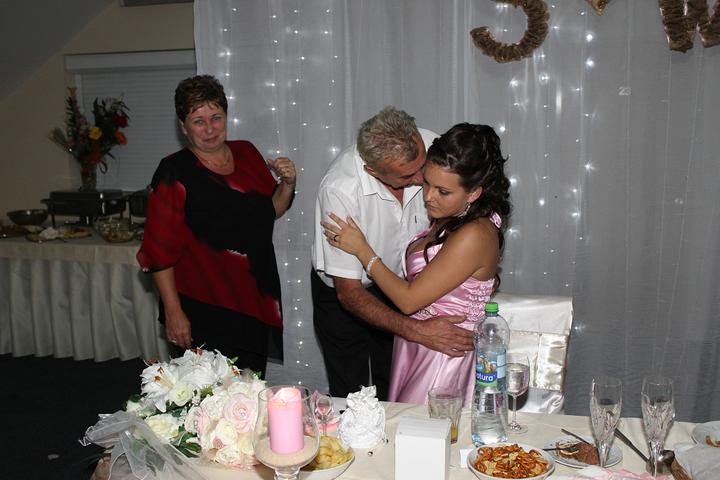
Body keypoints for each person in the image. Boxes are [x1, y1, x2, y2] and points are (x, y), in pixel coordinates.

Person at [321, 123, 511, 406]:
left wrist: (362, 250)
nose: (428, 196)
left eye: (442, 191)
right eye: (427, 183)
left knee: (421, 426)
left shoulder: (474, 234)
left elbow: (408, 301)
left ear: (473, 194)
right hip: (420, 342)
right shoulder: (455, 216)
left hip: (442, 355)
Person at [137, 75, 296, 377]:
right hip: (203, 307)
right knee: (207, 396)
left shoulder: (247, 153)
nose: (209, 129)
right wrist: (173, 311)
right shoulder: (174, 171)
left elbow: (269, 210)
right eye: (198, 121)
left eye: (216, 117)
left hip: (253, 302)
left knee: (249, 392)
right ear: (183, 126)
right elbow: (158, 251)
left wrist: (287, 184)